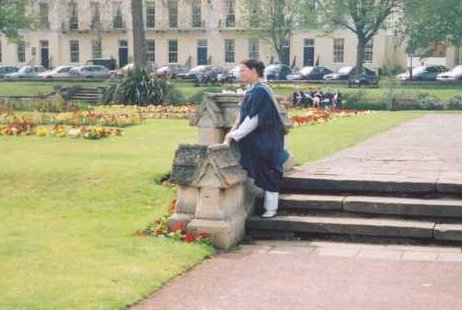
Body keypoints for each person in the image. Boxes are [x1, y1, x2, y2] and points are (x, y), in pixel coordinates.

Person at [224, 59, 287, 218]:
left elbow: (254, 118)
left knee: (268, 171)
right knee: (265, 170)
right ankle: (270, 208)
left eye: (244, 70)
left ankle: (271, 209)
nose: (241, 73)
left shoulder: (260, 91)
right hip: (260, 138)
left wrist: (235, 135)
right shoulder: (254, 89)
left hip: (265, 140)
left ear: (254, 71)